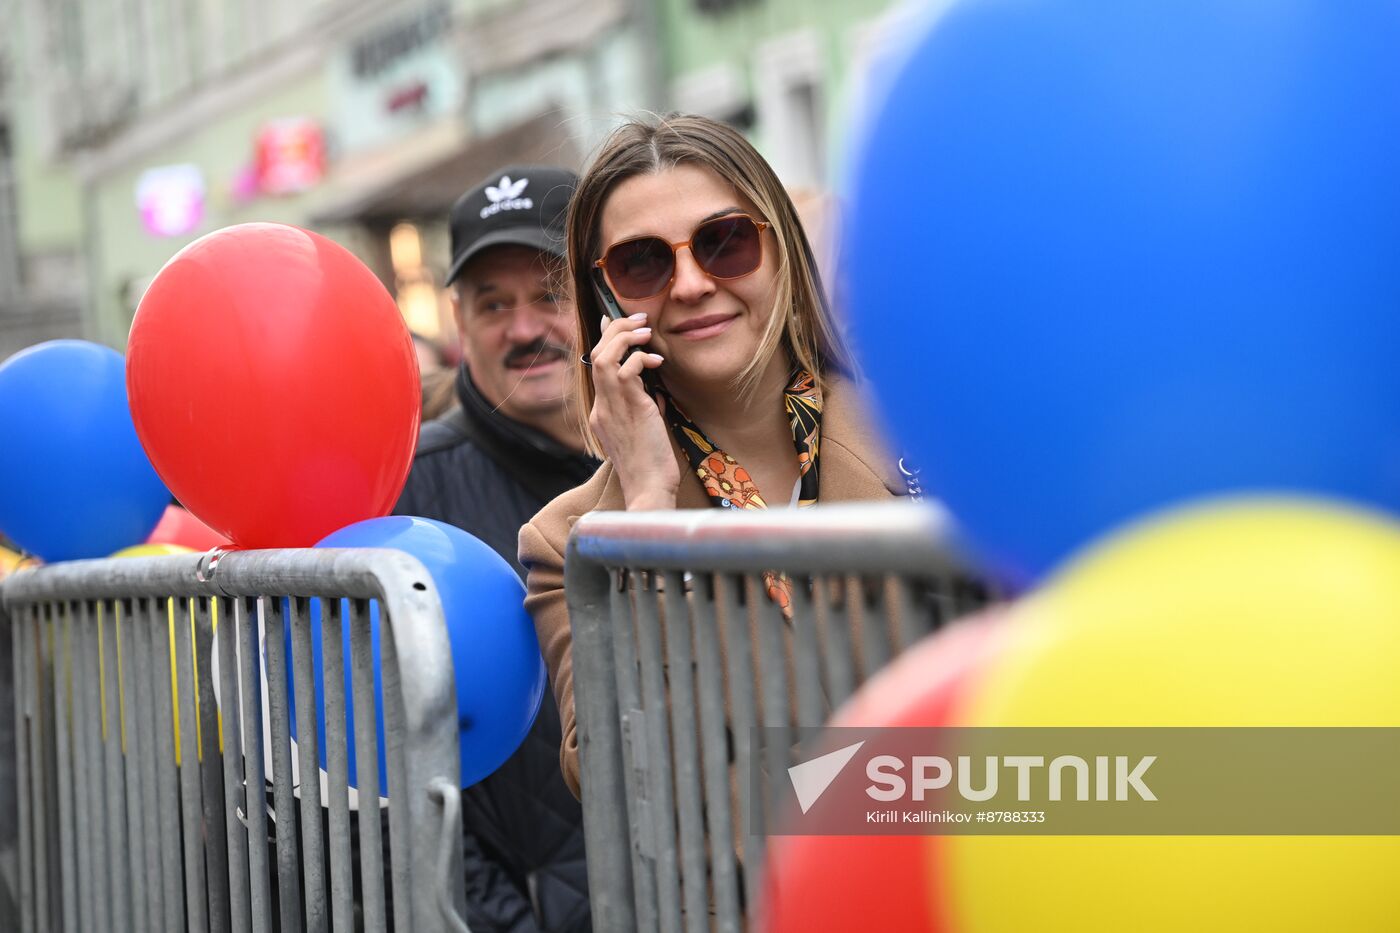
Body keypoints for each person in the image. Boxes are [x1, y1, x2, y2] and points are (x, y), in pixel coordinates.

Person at [519, 114, 909, 798]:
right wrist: (645, 510)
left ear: (781, 249)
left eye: (724, 242)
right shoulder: (568, 542)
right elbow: (619, 781)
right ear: (603, 297)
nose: (692, 283)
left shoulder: (924, 437)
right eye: (643, 261)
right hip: (750, 904)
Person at [394, 165, 598, 932]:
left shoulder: (684, 455)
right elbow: (377, 780)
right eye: (493, 304)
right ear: (457, 318)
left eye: (549, 296)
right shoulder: (409, 494)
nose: (523, 329)